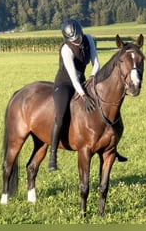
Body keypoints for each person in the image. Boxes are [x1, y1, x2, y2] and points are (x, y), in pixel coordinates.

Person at [48, 19, 127, 171]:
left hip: (85, 80)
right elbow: (72, 76)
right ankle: (53, 155)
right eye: (73, 39)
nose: (77, 41)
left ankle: (112, 148)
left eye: (77, 37)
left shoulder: (89, 39)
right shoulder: (66, 49)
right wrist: (84, 96)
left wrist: (92, 77)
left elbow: (96, 62)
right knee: (61, 113)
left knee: (105, 107)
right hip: (66, 83)